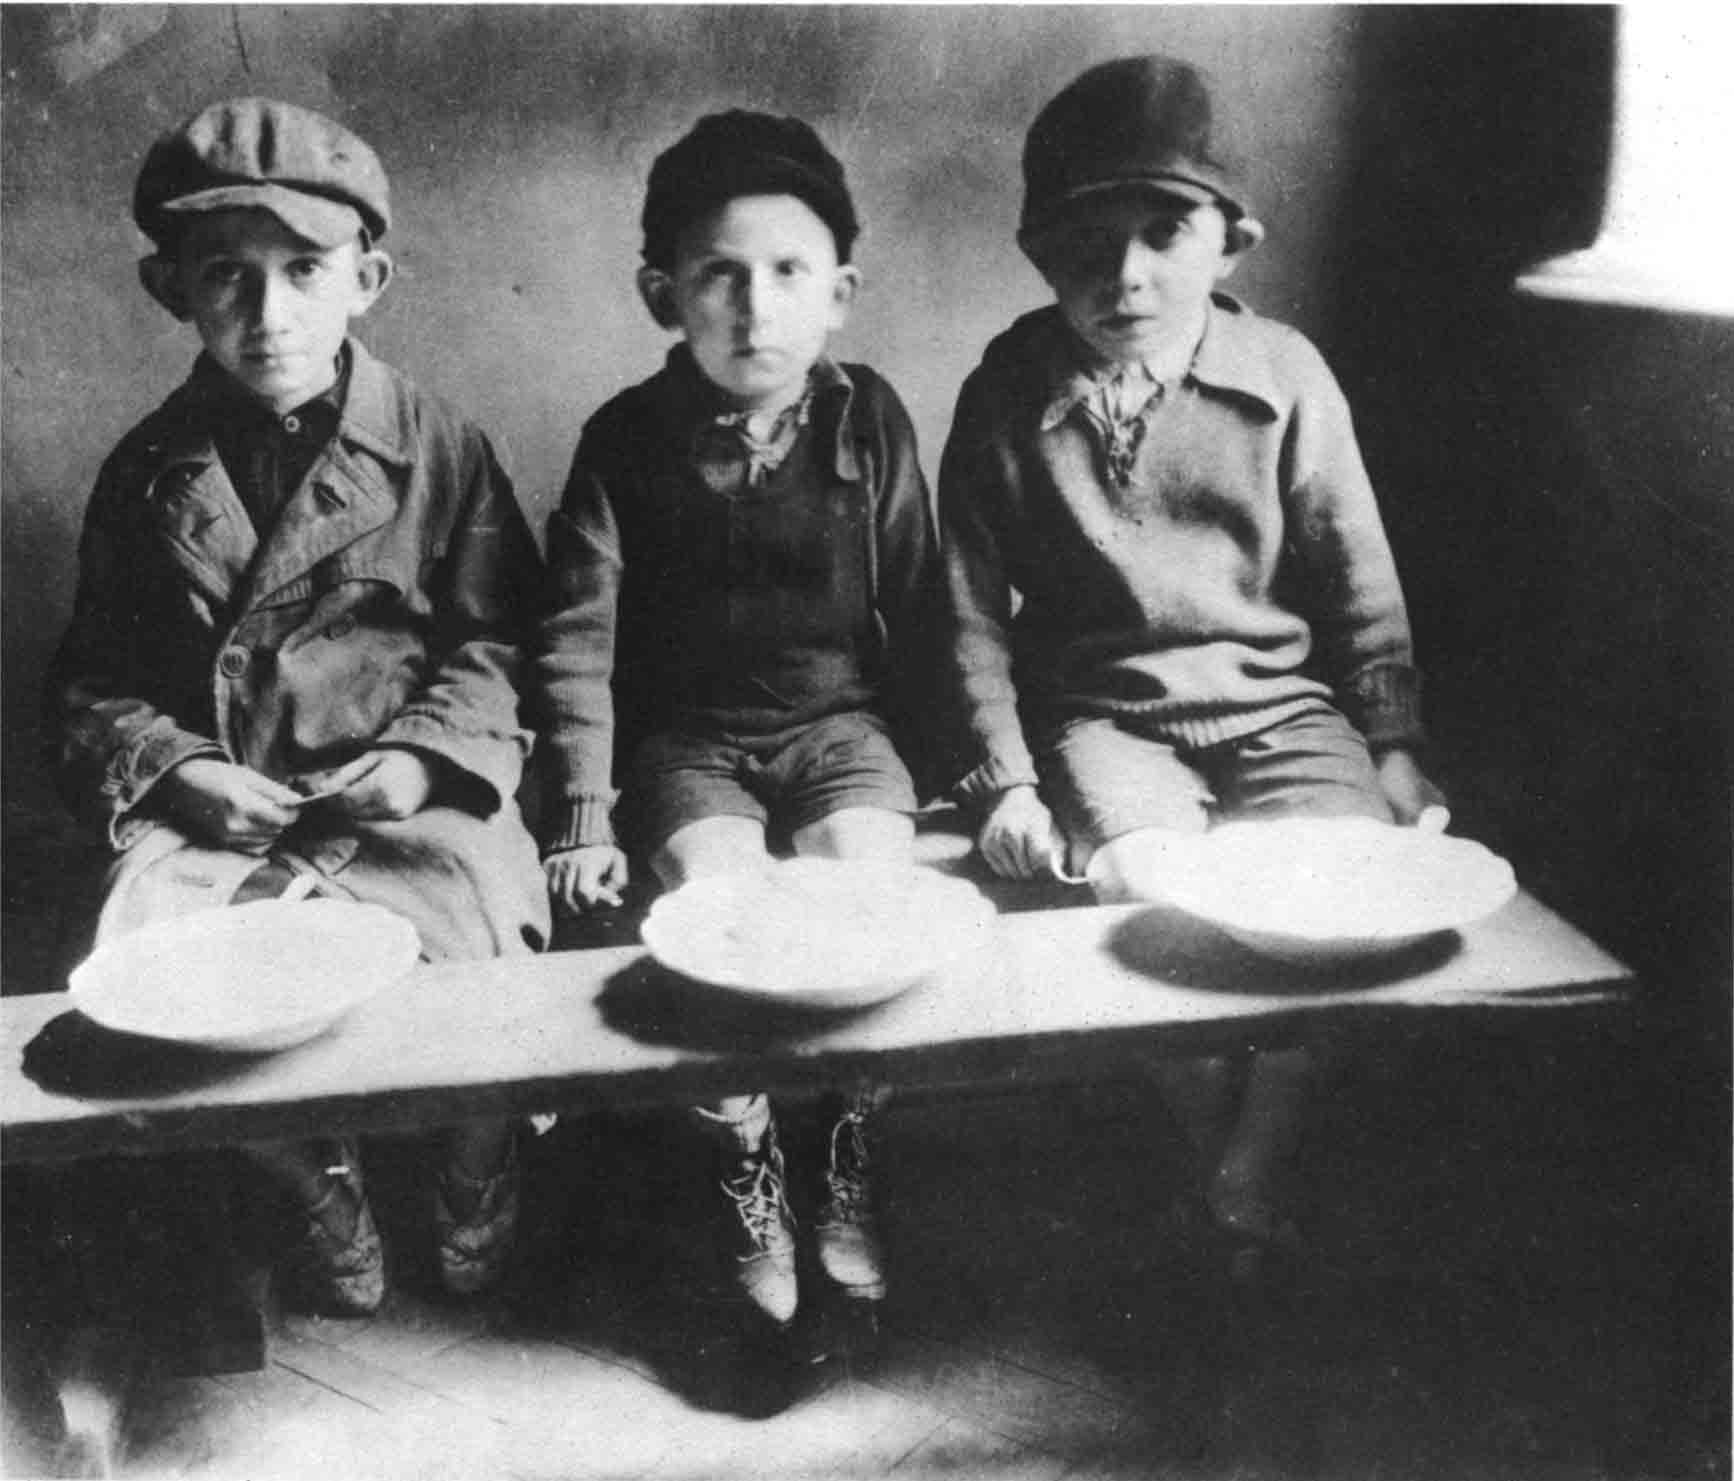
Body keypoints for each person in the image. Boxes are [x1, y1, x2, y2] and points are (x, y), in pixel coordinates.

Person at [937, 56, 1445, 1281]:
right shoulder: (1010, 387)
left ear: (1229, 240)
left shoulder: (1286, 375)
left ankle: (1250, 1161)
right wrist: (1003, 778)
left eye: (1165, 232)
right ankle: (1215, 1132)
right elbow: (961, 609)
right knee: (1146, 890)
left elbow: (1356, 570)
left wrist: (1390, 740)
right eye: (1086, 240)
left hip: (1275, 700)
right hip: (1105, 713)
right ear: (1039, 251)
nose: (1125, 275)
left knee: (1339, 897)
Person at [46, 98, 550, 1317]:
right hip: (234, 802)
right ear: (172, 286)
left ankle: (476, 1160)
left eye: (304, 271)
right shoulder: (146, 470)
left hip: (397, 797)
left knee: (481, 941)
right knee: (149, 960)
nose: (268, 314)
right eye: (227, 275)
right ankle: (315, 1174)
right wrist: (175, 771)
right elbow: (93, 682)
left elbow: (499, 638)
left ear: (366, 278)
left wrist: (428, 758)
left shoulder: (437, 444)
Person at [533, 110, 939, 1332]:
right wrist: (583, 808)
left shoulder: (871, 421)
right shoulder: (622, 441)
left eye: (788, 273)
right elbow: (577, 640)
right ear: (665, 292)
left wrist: (969, 773)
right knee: (719, 904)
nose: (754, 308)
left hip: (838, 727)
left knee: (869, 880)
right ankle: (747, 1152)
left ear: (840, 293)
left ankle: (844, 1146)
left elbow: (921, 600)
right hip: (687, 744)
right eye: (719, 274)